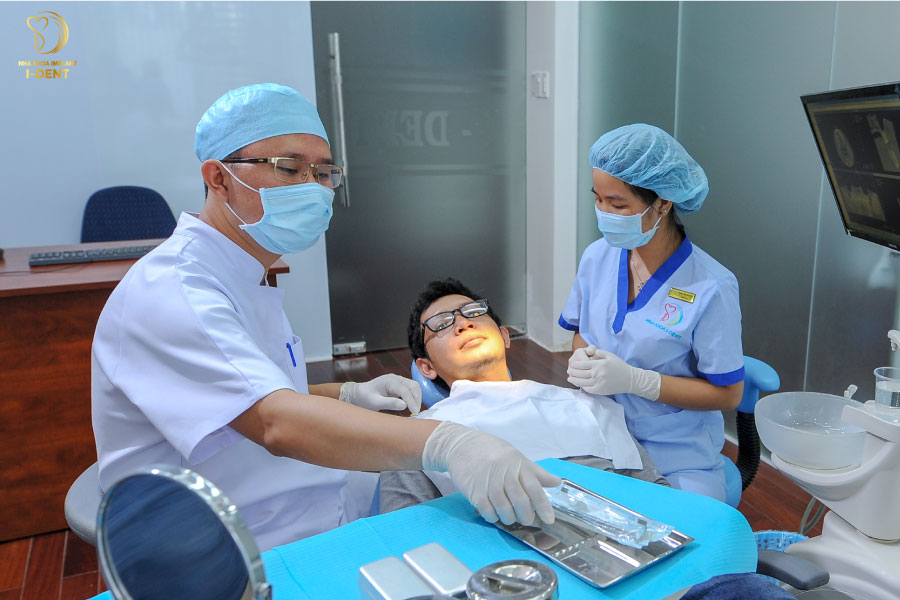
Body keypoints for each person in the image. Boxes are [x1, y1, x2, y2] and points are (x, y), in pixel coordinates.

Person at [91, 83, 559, 552]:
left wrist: (348, 392)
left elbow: (246, 390)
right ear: (218, 177)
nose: (312, 189)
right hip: (229, 547)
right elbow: (274, 421)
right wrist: (447, 442)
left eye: (323, 173)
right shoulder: (175, 290)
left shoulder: (245, 274)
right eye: (289, 168)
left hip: (309, 505)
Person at [559, 124, 744, 502]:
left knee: (689, 529)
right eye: (598, 199)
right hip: (598, 436)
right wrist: (582, 357)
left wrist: (637, 381)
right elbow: (581, 333)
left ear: (663, 202)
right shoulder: (596, 257)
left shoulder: (712, 286)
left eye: (618, 205)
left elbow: (728, 394)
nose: (603, 213)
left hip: (675, 452)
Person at [379, 277, 669, 513]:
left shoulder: (585, 404)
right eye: (442, 323)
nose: (463, 324)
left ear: (505, 336)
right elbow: (405, 535)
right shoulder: (416, 437)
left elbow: (659, 495)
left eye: (473, 312)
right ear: (427, 367)